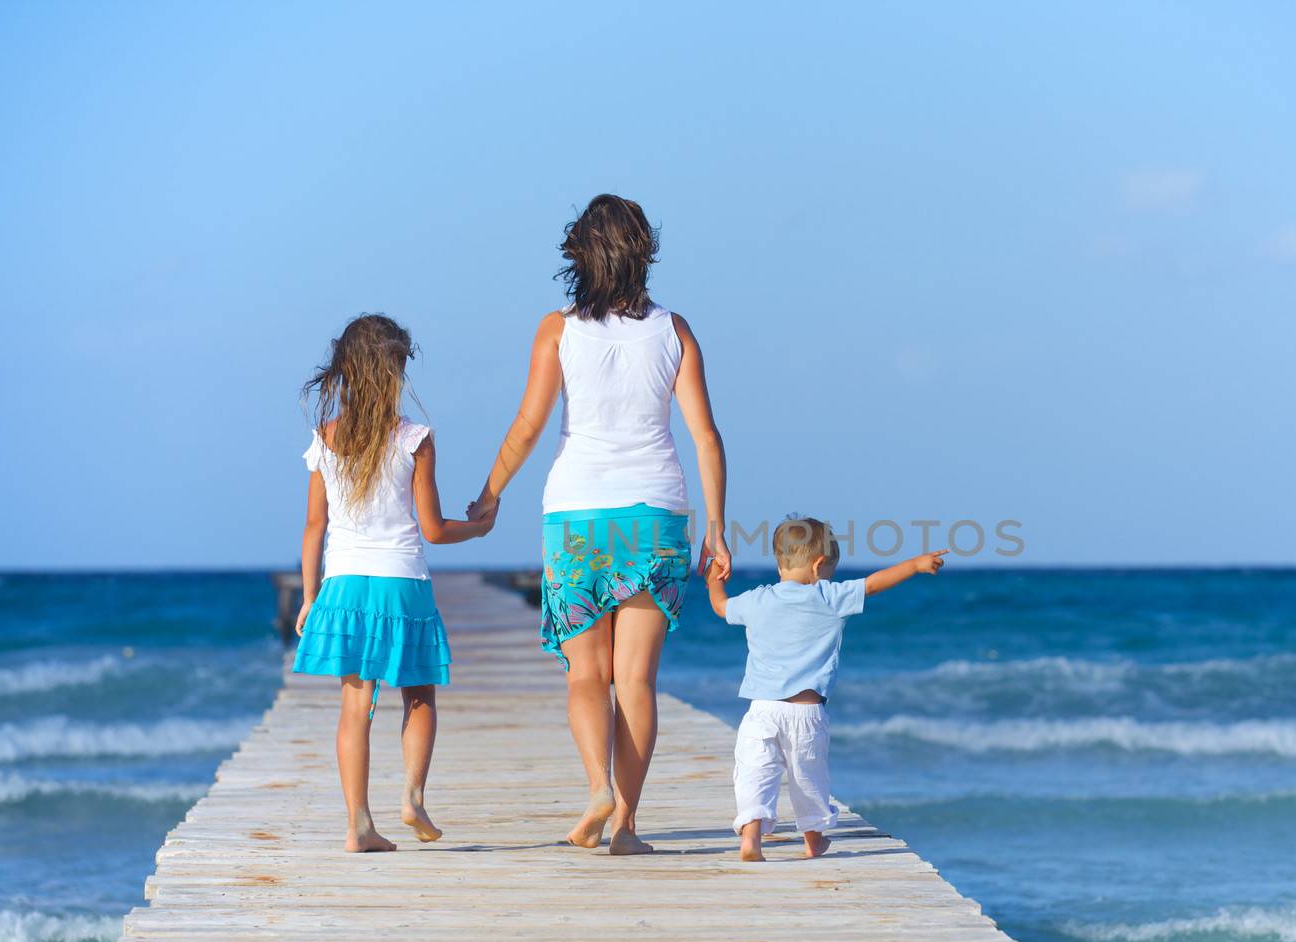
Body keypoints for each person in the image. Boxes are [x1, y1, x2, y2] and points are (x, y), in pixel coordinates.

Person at [467, 195, 729, 856]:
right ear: (643, 251)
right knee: (635, 679)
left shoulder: (557, 330)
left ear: (580, 254)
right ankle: (627, 826)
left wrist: (490, 492)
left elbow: (527, 426)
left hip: (578, 514)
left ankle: (596, 788)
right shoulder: (675, 332)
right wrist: (717, 528)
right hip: (656, 515)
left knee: (586, 673)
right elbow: (705, 437)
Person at [293, 314, 496, 853]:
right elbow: (432, 529)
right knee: (419, 695)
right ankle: (411, 796)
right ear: (393, 371)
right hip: (401, 582)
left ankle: (358, 822)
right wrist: (478, 527)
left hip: (343, 588)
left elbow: (315, 528)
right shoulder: (414, 438)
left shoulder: (326, 438)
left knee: (354, 707)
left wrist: (310, 596)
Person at [705, 516, 945, 861]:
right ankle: (813, 840)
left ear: (779, 561)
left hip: (761, 712)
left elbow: (720, 607)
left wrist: (714, 581)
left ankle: (751, 839)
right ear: (819, 566)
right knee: (809, 779)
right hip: (806, 713)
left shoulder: (756, 601)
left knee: (755, 773)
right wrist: (914, 565)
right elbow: (874, 585)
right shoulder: (828, 597)